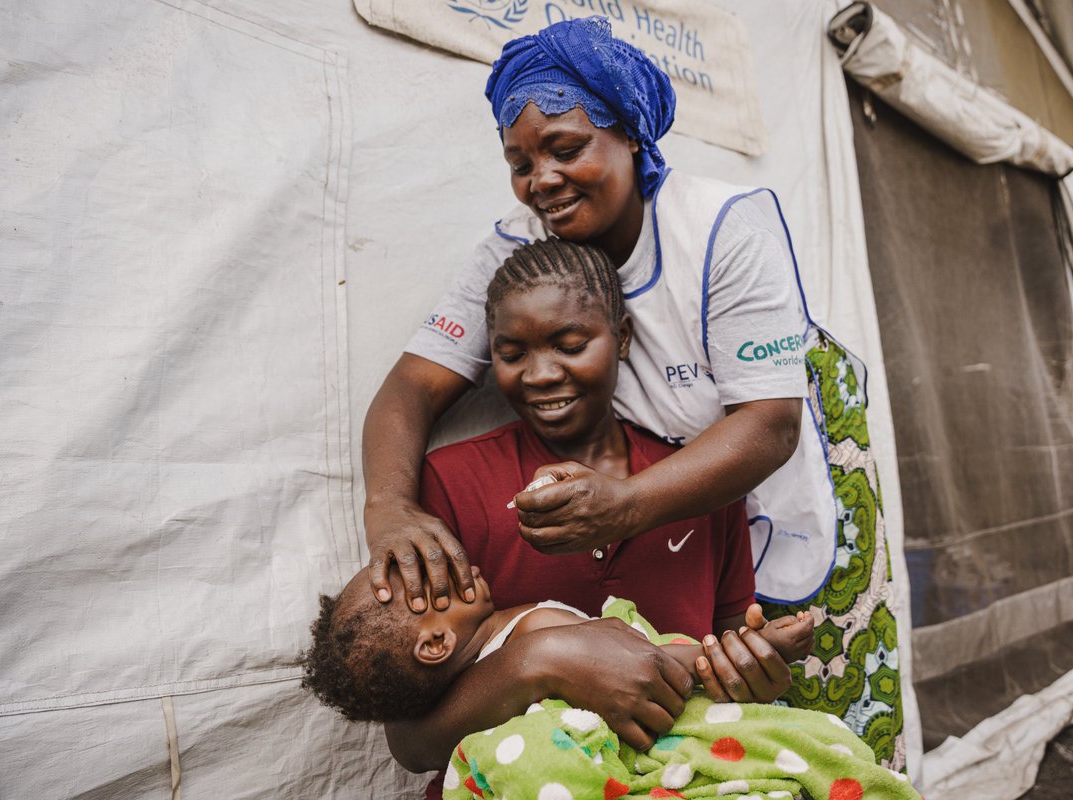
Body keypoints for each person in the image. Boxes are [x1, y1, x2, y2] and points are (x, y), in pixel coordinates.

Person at [363, 16, 904, 772]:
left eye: (567, 147)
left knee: (815, 724)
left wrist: (622, 506)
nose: (541, 180)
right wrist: (389, 504)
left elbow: (770, 425)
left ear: (632, 138)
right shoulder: (514, 247)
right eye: (519, 161)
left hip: (767, 494)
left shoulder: (723, 226)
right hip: (668, 532)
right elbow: (412, 386)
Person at [300, 569, 919, 800]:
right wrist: (724, 656)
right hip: (644, 748)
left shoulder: (481, 676)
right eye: (422, 583)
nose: (443, 562)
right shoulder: (533, 628)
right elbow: (660, 665)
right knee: (807, 739)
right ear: (433, 644)